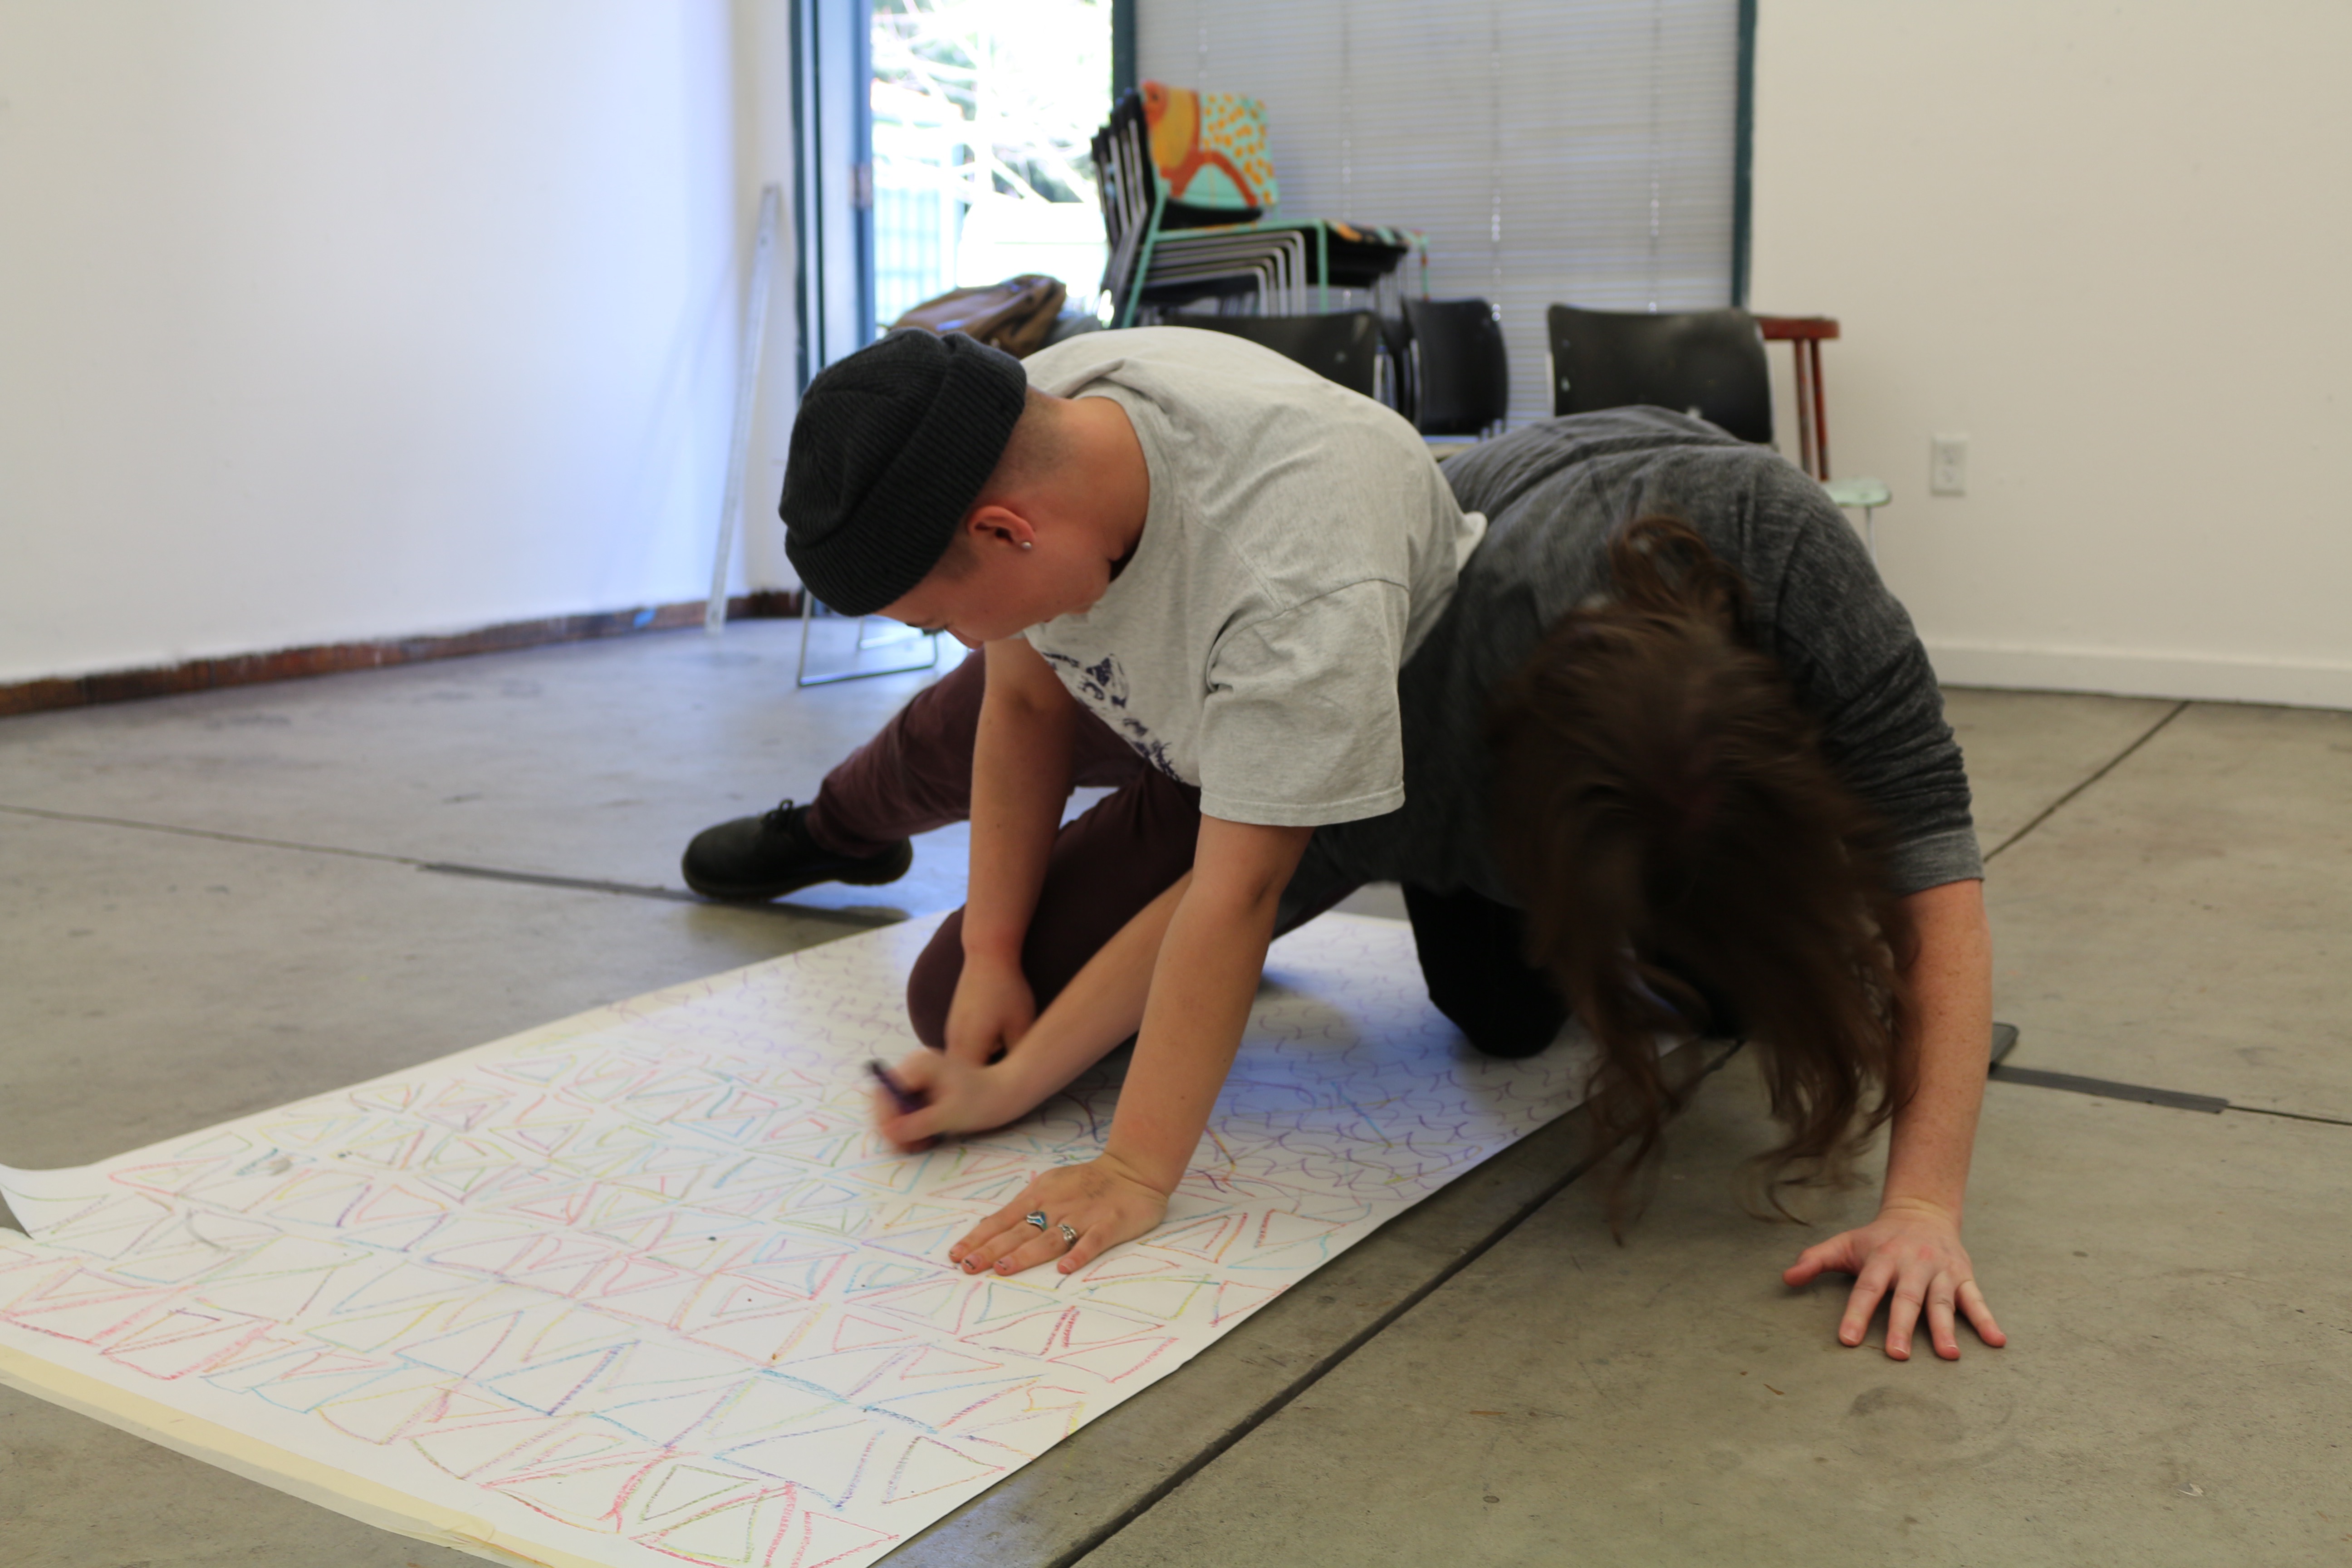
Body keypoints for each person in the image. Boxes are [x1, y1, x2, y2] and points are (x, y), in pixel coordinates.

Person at [697, 342, 2002, 1362]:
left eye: (933, 615)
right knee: (959, 724)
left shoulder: (1318, 627)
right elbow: (1143, 811)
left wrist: (1923, 1203)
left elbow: (1234, 891)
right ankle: (829, 832)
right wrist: (1009, 995)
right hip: (1303, 644)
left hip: (1300, 656)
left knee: (1501, 1014)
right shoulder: (1028, 429)